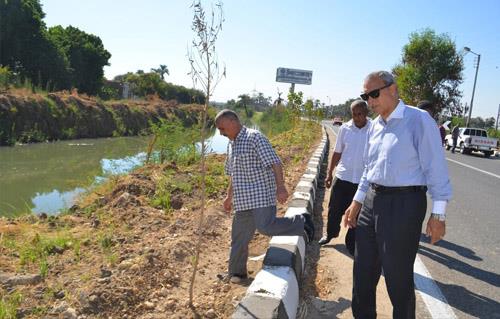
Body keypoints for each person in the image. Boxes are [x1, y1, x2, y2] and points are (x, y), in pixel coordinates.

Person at [344, 71, 452, 318]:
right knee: (363, 272)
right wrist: (357, 201)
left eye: (374, 94)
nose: (369, 101)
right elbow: (368, 169)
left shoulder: (418, 119)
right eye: (365, 95)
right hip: (372, 200)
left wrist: (439, 215)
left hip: (404, 204)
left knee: (397, 277)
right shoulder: (375, 127)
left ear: (393, 89)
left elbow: (436, 169)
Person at [215, 109, 315, 284]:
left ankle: (302, 222)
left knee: (266, 227)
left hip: (260, 194)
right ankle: (237, 273)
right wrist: (228, 197)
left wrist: (281, 186)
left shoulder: (254, 137)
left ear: (232, 122)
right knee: (239, 238)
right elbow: (233, 174)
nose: (221, 133)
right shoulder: (231, 144)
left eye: (222, 128)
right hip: (242, 199)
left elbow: (275, 162)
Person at [320, 100, 371, 256]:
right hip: (343, 177)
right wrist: (329, 173)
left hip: (361, 182)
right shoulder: (345, 129)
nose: (356, 117)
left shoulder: (374, 129)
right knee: (334, 209)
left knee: (356, 214)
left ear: (366, 113)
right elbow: (337, 152)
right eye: (354, 114)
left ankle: (351, 243)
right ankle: (330, 234)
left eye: (359, 114)